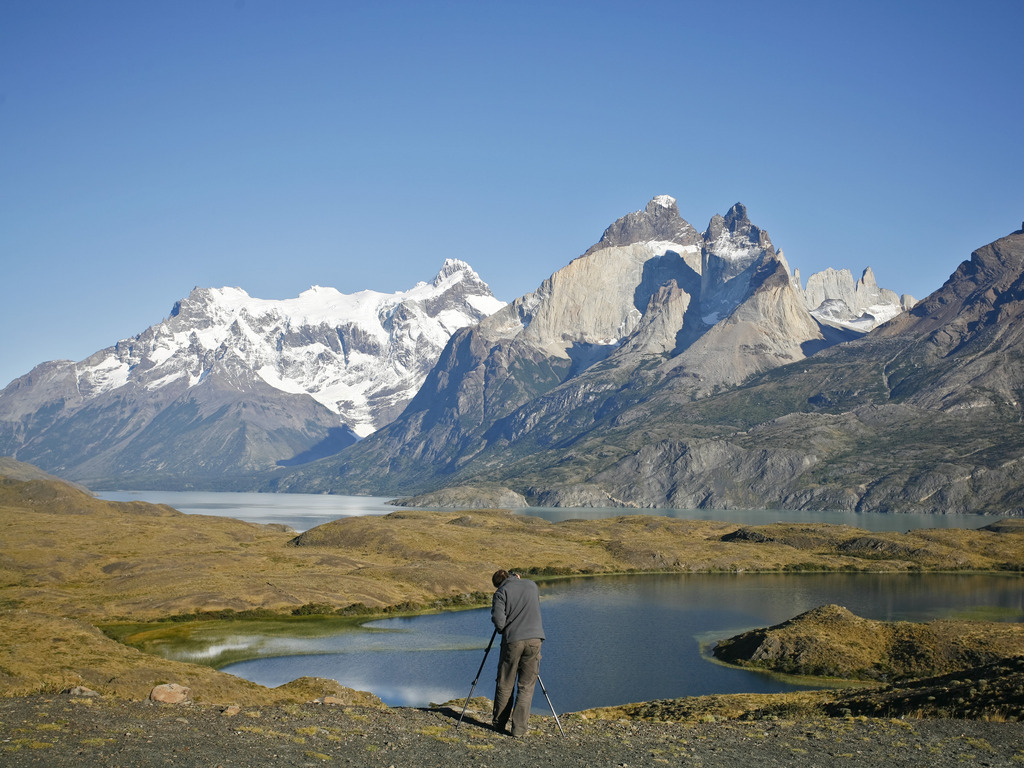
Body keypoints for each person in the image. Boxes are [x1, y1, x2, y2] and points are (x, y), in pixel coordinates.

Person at [490, 568, 545, 737]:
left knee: (506, 682)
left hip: (513, 641)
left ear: (497, 584)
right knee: (526, 685)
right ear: (514, 576)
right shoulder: (531, 585)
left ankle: (499, 724)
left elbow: (500, 623)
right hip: (535, 639)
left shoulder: (501, 593)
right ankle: (519, 730)